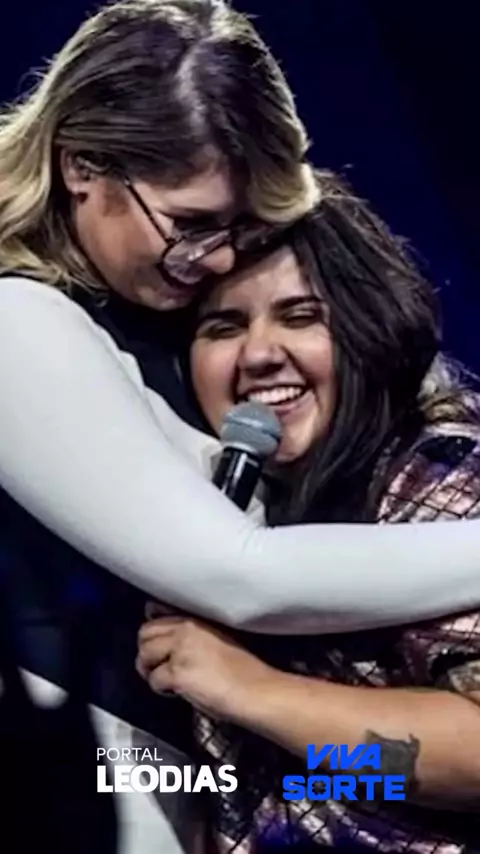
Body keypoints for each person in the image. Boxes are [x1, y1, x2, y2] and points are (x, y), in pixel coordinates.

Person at [0, 0, 480, 669]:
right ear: (81, 167)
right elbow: (242, 578)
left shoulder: (150, 298)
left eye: (239, 226)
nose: (222, 259)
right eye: (190, 224)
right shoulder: (16, 323)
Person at [137, 177, 480, 852]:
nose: (260, 354)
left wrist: (251, 691)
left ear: (369, 328)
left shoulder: (439, 471)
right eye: (223, 327)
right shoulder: (222, 509)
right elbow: (275, 783)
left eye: (299, 317)